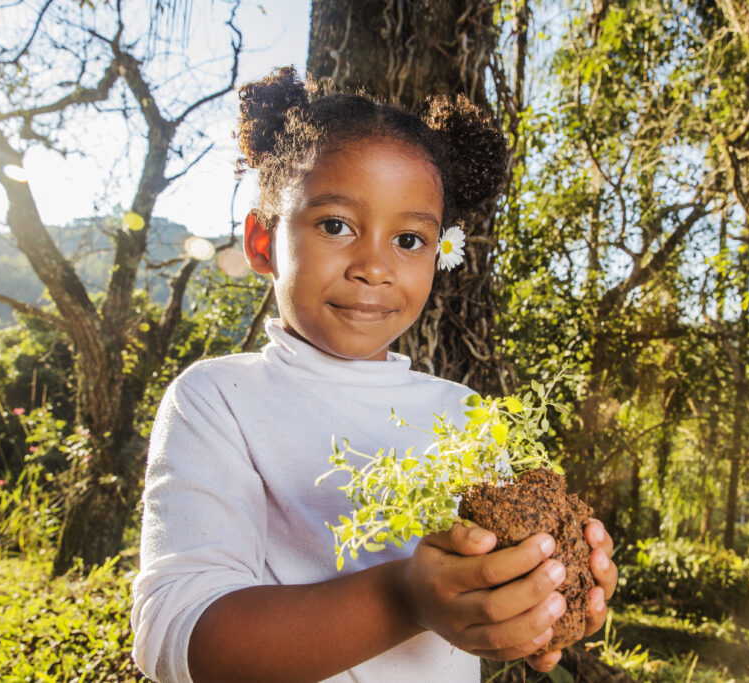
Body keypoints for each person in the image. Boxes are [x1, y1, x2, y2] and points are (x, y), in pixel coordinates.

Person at [131, 66, 618, 683]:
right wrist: (405, 598)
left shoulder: (466, 414)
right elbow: (178, 638)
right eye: (335, 226)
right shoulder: (219, 400)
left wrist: (544, 595)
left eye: (410, 240)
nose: (374, 267)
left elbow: (484, 591)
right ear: (262, 242)